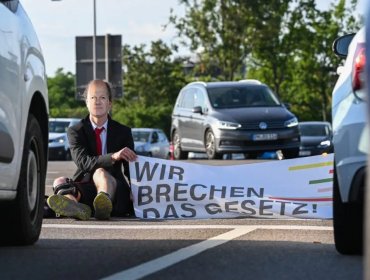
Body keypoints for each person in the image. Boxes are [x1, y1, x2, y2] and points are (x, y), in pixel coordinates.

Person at [47, 79, 137, 220]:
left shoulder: (123, 132)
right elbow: (83, 162)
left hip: (115, 189)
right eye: (93, 97)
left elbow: (131, 166)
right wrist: (113, 157)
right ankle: (73, 205)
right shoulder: (75, 131)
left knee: (101, 172)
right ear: (87, 102)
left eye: (102, 97)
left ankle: (103, 203)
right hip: (86, 186)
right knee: (59, 181)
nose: (97, 101)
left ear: (110, 103)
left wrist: (136, 189)